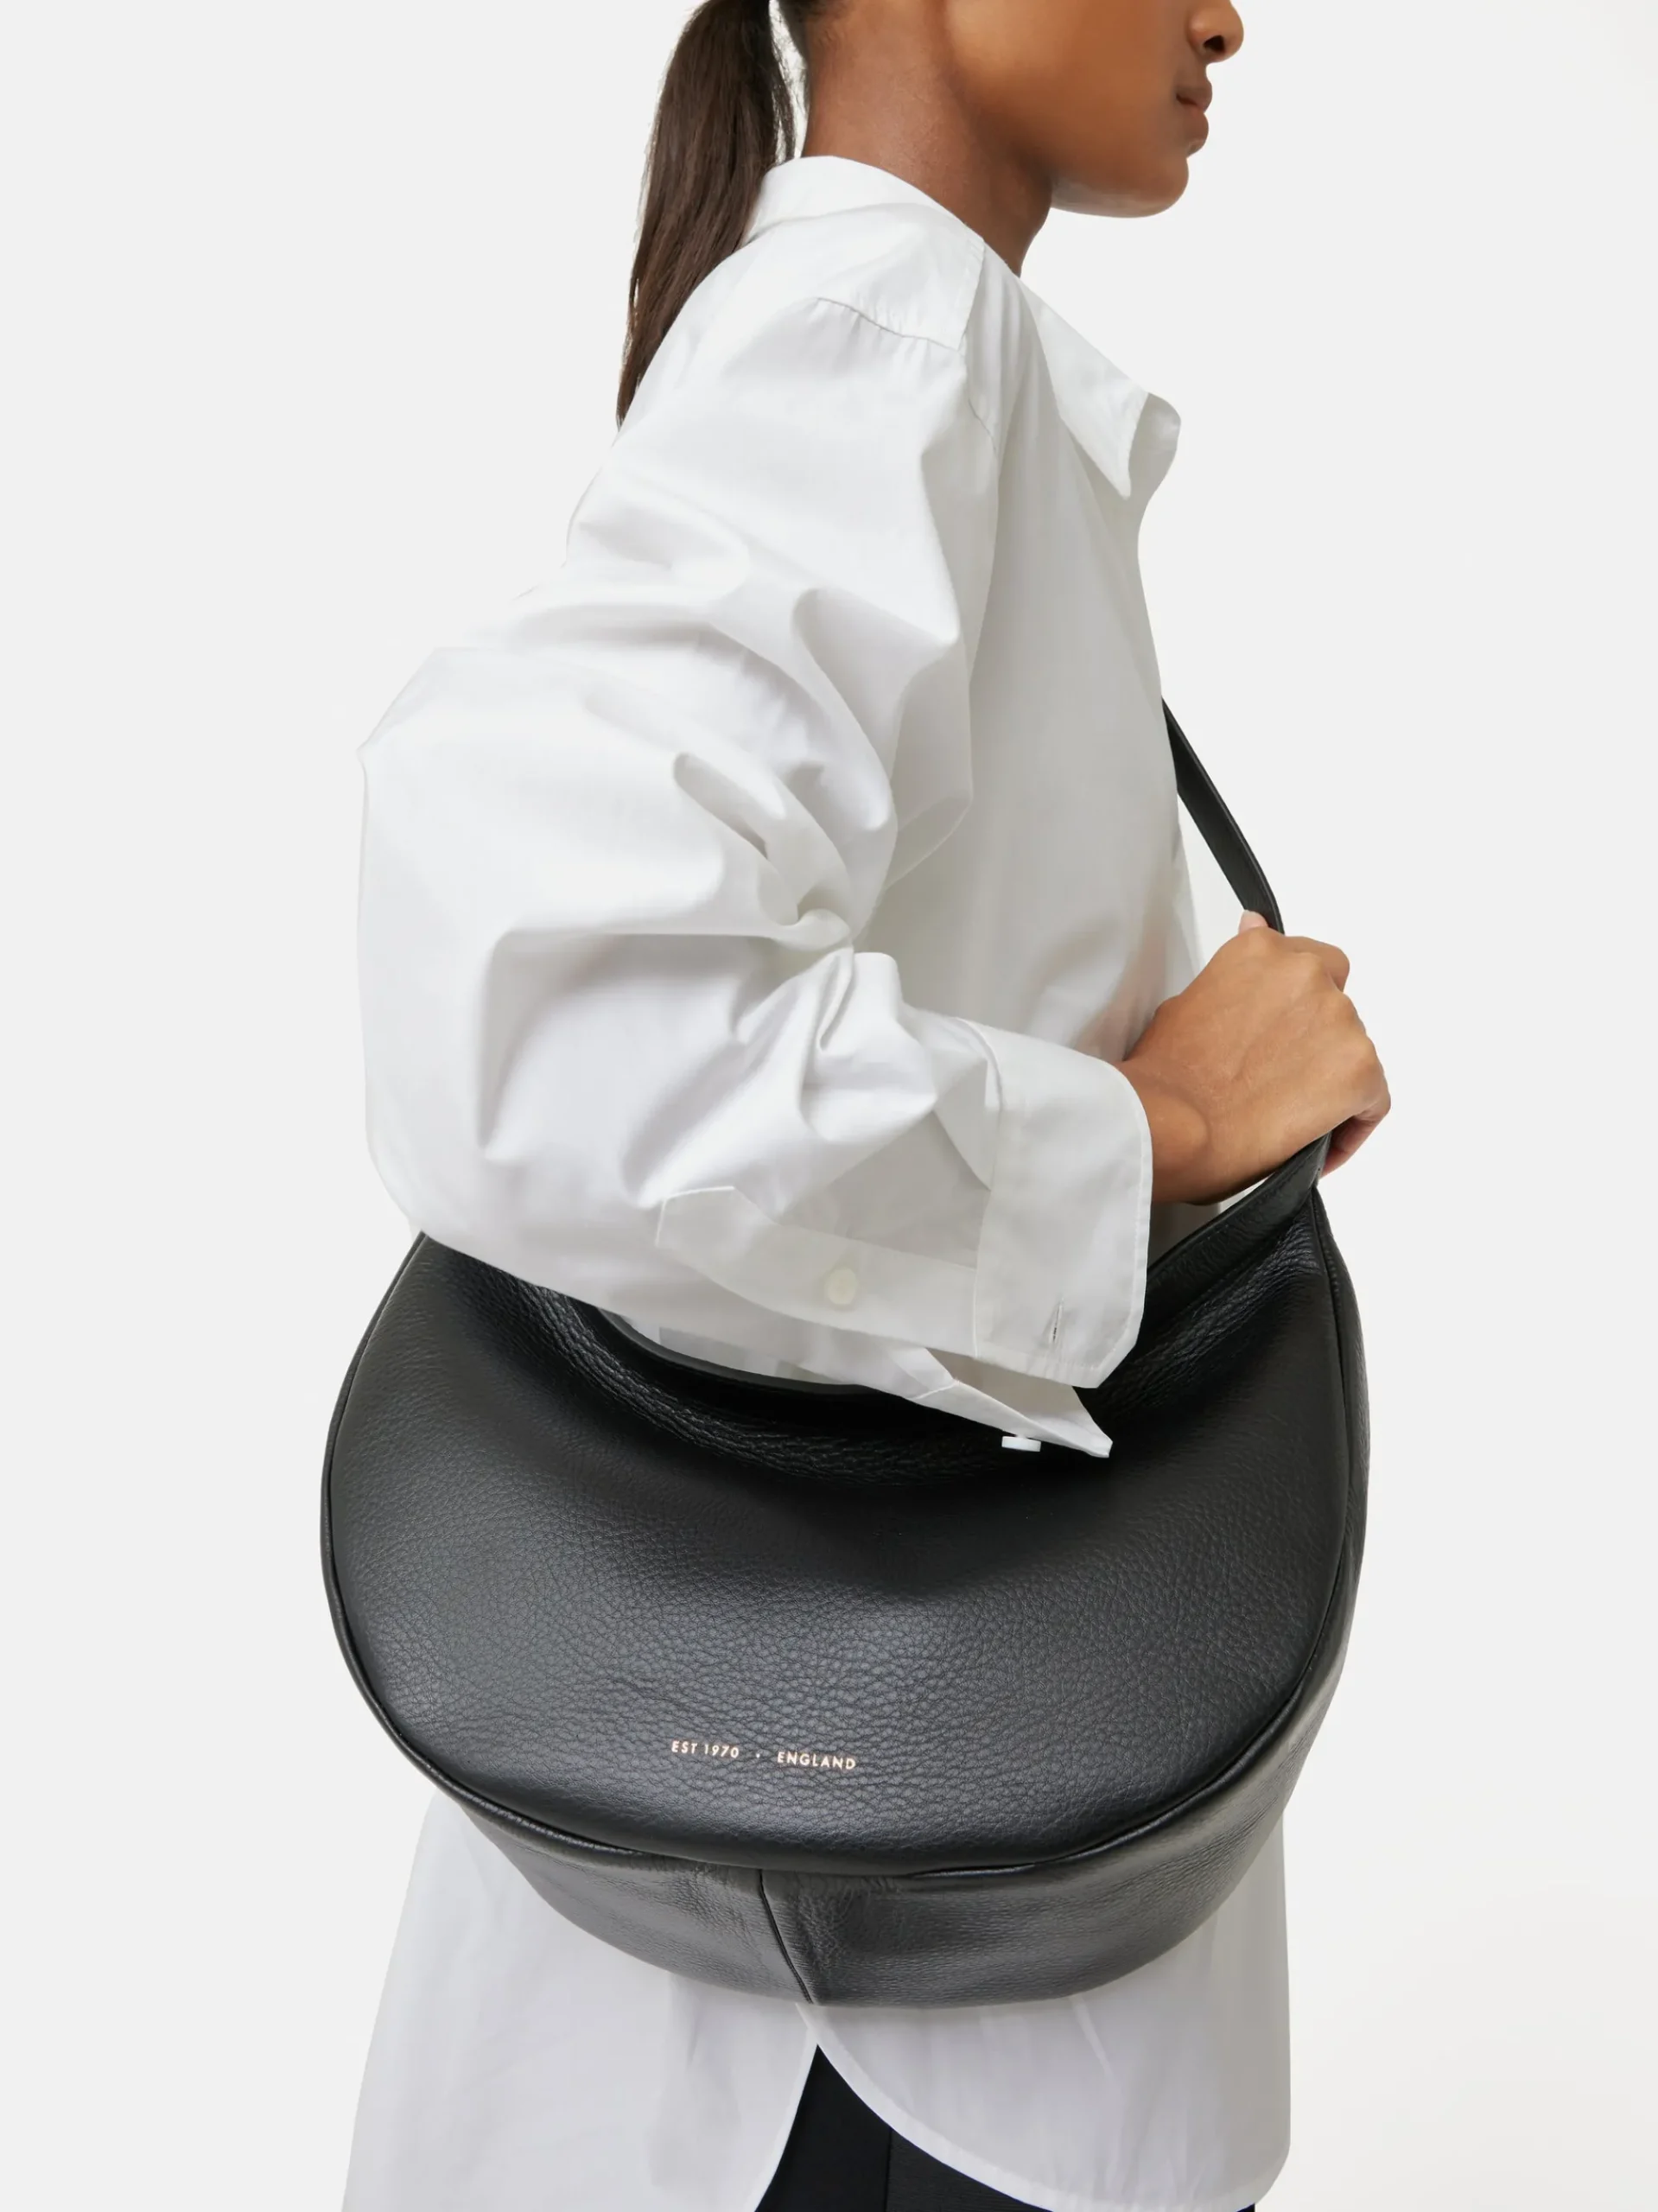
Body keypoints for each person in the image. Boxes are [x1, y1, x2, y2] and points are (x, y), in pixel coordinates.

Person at [342, 1, 1390, 2205]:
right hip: (859, 2055)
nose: (1224, 13)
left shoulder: (914, 349)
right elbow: (563, 1034)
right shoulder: (874, 331)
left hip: (817, 1933)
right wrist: (1155, 1129)